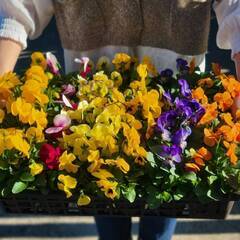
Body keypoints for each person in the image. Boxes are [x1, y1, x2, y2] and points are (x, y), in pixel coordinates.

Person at [0, 1, 240, 240]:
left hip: (175, 102)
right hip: (94, 103)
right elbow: (16, 8)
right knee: (103, 184)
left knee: (164, 196)